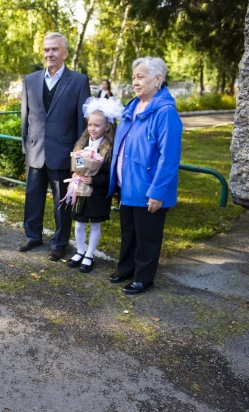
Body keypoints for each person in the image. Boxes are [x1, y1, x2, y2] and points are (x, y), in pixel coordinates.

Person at [107, 57, 182, 294]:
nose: (135, 82)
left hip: (148, 187)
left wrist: (158, 192)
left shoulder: (165, 112)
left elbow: (169, 158)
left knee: (147, 236)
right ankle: (126, 268)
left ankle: (143, 277)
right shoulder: (132, 106)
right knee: (128, 231)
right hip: (127, 184)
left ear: (157, 79)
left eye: (140, 77)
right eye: (133, 77)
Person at [19, 32, 91, 261]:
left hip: (63, 154)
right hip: (35, 150)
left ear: (65, 53)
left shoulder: (79, 81)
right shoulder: (30, 80)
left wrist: (78, 158)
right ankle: (32, 236)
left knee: (62, 202)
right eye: (46, 49)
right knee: (33, 197)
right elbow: (25, 118)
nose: (49, 54)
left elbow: (82, 125)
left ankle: (59, 243)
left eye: (54, 49)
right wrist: (26, 148)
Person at [66, 97, 123, 273]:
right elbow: (75, 163)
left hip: (98, 192)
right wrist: (75, 173)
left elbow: (111, 175)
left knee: (95, 224)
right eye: (90, 125)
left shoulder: (111, 148)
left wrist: (94, 180)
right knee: (79, 223)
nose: (92, 129)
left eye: (97, 126)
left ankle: (90, 254)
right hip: (81, 190)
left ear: (107, 126)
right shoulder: (82, 142)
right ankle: (80, 251)